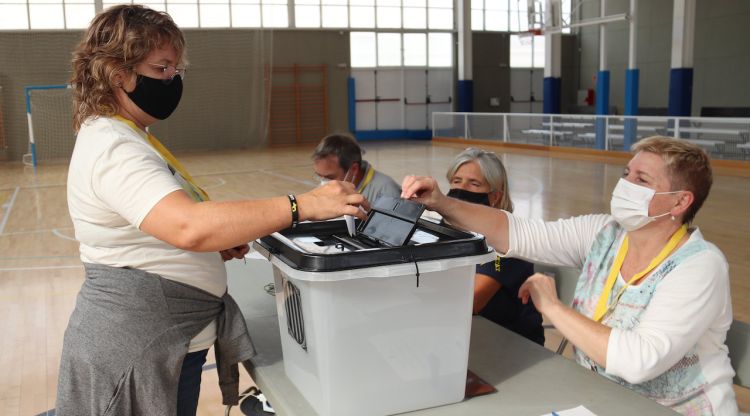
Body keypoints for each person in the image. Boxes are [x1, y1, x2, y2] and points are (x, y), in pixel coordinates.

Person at [58, 5, 365, 416]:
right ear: (118, 73)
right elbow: (189, 226)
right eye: (163, 68)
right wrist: (303, 205)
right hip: (136, 344)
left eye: (176, 69)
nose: (173, 80)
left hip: (160, 337)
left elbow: (169, 226)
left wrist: (210, 246)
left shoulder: (126, 134)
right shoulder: (115, 146)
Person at [401, 136, 737, 415]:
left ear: (679, 202)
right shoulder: (604, 233)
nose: (626, 184)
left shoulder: (699, 266)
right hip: (600, 399)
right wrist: (441, 203)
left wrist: (552, 306)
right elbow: (519, 233)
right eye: (626, 173)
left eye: (642, 180)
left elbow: (639, 361)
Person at [444, 148, 543, 345]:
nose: (461, 189)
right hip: (467, 333)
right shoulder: (451, 229)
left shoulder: (507, 241)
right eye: (456, 181)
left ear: (495, 196)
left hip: (511, 344)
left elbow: (470, 302)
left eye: (474, 184)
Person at [312, 133, 401, 204]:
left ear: (354, 169)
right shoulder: (327, 188)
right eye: (319, 176)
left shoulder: (388, 193)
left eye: (330, 178)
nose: (323, 184)